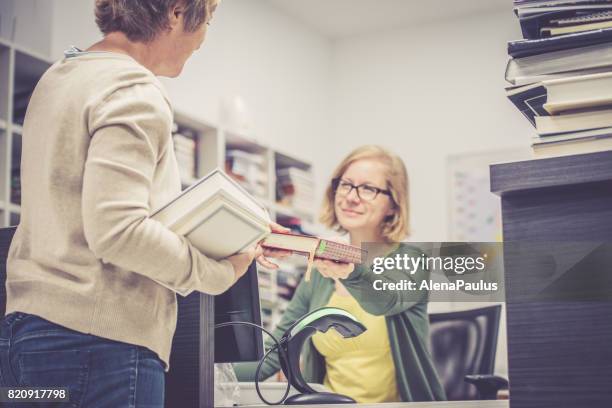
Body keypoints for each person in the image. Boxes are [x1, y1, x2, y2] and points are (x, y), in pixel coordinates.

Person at [0, 1, 286, 407]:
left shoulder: (59, 79)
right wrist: (219, 273)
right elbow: (118, 231)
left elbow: (89, 215)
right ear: (176, 12)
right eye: (207, 21)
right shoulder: (133, 88)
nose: (203, 39)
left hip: (25, 338)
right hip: (100, 348)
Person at [235, 145, 447, 403]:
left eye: (368, 189)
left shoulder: (412, 260)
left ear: (393, 204)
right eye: (345, 184)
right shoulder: (320, 274)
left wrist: (350, 267)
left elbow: (385, 301)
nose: (351, 197)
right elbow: (276, 350)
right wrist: (208, 371)